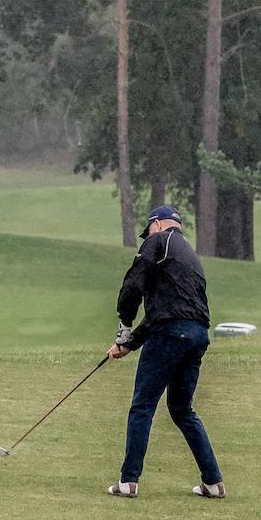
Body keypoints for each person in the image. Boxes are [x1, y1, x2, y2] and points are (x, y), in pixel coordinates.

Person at [105, 205, 224, 500]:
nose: (147, 237)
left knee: (143, 404)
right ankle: (213, 483)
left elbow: (133, 283)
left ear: (157, 225)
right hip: (197, 336)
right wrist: (128, 344)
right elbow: (166, 311)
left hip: (171, 334)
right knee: (182, 410)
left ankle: (128, 481)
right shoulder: (189, 256)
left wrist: (124, 323)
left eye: (149, 231)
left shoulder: (157, 241)